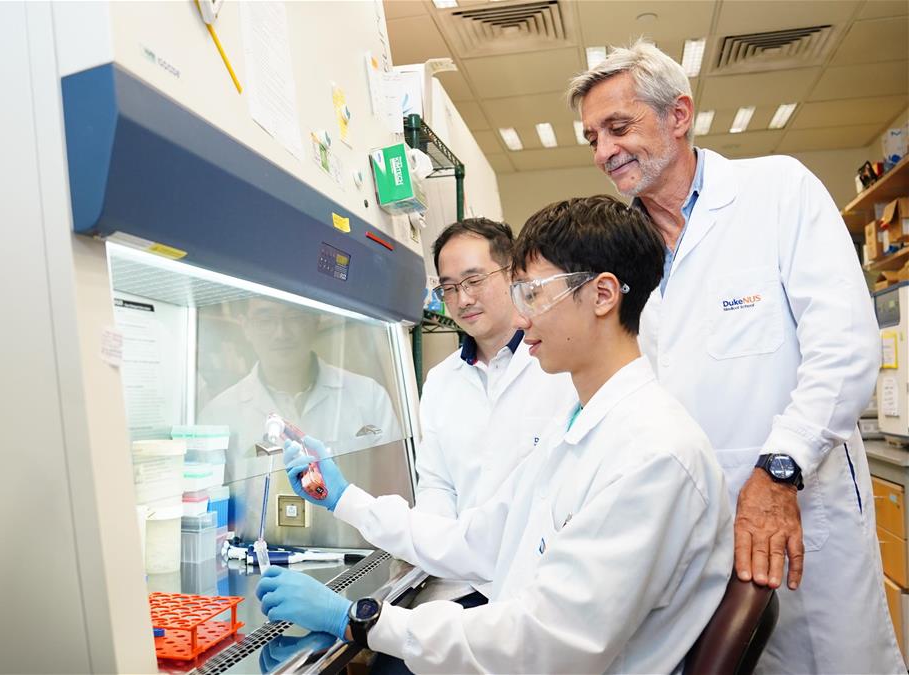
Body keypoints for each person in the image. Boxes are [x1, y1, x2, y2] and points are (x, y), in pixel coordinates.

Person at [256, 196, 733, 673]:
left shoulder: (652, 455)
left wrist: (359, 621)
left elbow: (543, 643)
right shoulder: (576, 427)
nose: (522, 319)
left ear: (603, 295)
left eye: (534, 294)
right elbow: (477, 541)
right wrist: (344, 498)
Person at [568, 40, 902, 672]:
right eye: (592, 138)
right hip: (695, 545)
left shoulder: (777, 192)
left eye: (618, 127)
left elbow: (845, 351)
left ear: (678, 115)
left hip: (803, 512)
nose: (603, 151)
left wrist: (779, 472)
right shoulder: (623, 254)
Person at [405, 218, 577, 606]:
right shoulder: (440, 381)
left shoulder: (559, 366)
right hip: (460, 582)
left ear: (512, 274)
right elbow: (437, 484)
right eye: (449, 288)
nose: (463, 299)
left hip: (540, 581)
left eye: (474, 280)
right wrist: (438, 548)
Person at [199, 297, 401, 537]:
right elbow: (211, 506)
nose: (281, 333)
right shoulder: (220, 412)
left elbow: (395, 488)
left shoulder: (368, 396)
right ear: (246, 326)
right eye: (265, 319)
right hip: (257, 553)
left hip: (352, 550)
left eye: (294, 317)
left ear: (315, 321)